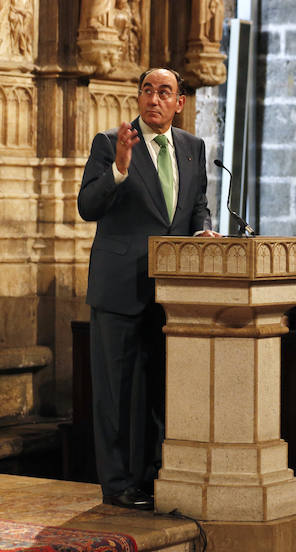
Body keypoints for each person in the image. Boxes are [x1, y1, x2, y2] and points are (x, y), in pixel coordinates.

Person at [78, 68, 219, 510]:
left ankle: (150, 479)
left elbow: (197, 205)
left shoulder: (194, 148)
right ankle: (118, 485)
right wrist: (119, 169)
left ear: (180, 103)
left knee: (159, 392)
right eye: (146, 90)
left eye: (164, 92)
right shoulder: (110, 143)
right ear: (138, 98)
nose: (153, 98)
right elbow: (87, 206)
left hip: (171, 294)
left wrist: (203, 232)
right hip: (119, 289)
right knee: (116, 395)